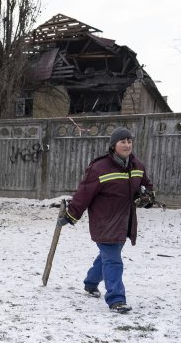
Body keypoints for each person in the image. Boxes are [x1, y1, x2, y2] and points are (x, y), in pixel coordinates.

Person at [58, 127, 154, 314]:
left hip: (125, 222)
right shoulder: (100, 168)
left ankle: (90, 283)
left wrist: (147, 197)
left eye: (129, 141)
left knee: (107, 257)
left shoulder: (137, 166)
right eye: (122, 142)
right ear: (113, 145)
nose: (127, 145)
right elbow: (84, 193)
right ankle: (116, 299)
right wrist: (71, 215)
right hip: (105, 221)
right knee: (113, 260)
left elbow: (146, 187)